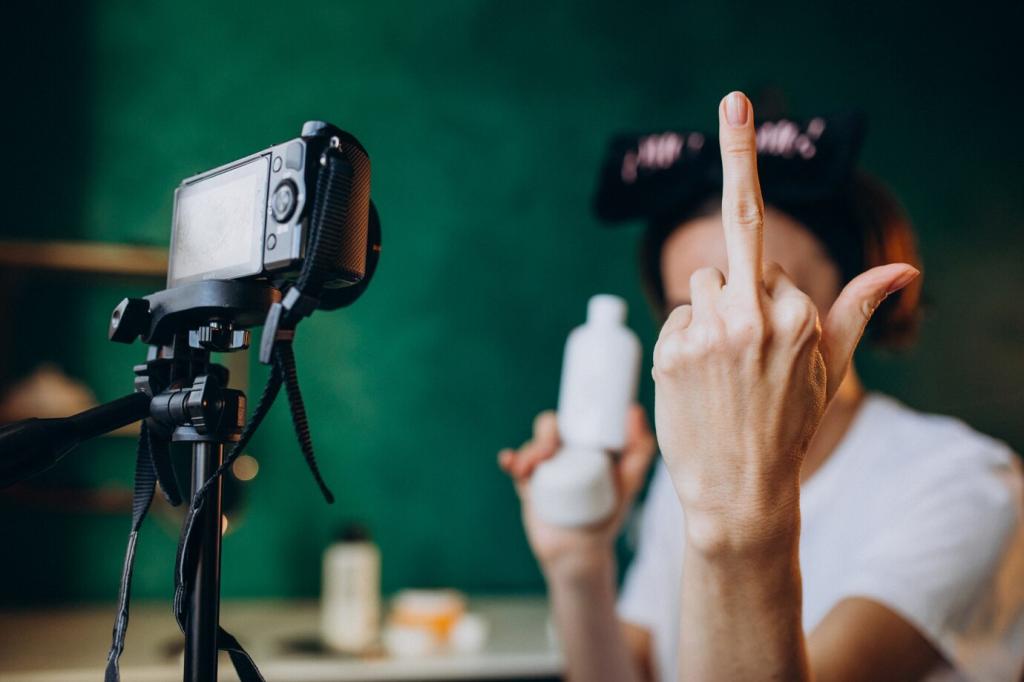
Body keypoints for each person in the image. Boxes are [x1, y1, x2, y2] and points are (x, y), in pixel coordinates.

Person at [499, 92, 1024, 681]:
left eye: (760, 300)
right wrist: (579, 565)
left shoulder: (967, 486)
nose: (726, 342)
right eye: (693, 313)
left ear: (856, 296)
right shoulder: (691, 474)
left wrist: (736, 517)